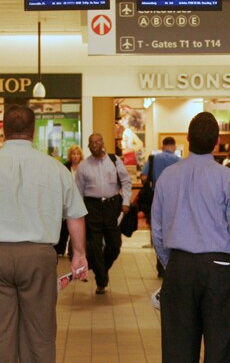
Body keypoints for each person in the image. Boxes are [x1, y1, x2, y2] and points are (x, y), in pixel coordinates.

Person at [152, 112, 230, 362]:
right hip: (219, 268)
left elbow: (157, 230)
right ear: (217, 141)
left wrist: (172, 263)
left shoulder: (167, 177)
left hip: (180, 266)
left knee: (178, 348)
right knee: (221, 346)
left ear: (187, 139)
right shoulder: (228, 179)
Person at [0, 106, 88, 363]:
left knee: (2, 331)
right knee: (40, 331)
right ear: (33, 131)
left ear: (4, 129)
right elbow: (75, 215)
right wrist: (79, 255)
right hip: (39, 257)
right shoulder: (55, 169)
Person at [76, 133, 132, 295]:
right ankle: (101, 280)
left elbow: (127, 182)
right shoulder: (83, 166)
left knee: (114, 245)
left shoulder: (114, 161)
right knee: (94, 247)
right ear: (88, 146)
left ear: (103, 143)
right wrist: (78, 213)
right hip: (91, 207)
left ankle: (101, 270)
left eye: (97, 141)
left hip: (111, 206)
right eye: (91, 142)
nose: (95, 145)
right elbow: (78, 191)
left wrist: (126, 202)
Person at [140, 136, 179, 277]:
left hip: (156, 198)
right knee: (172, 230)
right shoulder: (178, 161)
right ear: (174, 147)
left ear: (162, 146)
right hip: (175, 201)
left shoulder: (153, 159)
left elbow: (144, 177)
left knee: (157, 230)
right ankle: (172, 264)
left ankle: (161, 265)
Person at [54, 144, 85, 256]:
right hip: (67, 199)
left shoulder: (84, 167)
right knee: (64, 226)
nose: (75, 156)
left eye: (77, 154)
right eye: (73, 154)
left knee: (78, 225)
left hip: (81, 198)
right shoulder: (65, 167)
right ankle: (60, 250)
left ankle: (76, 249)